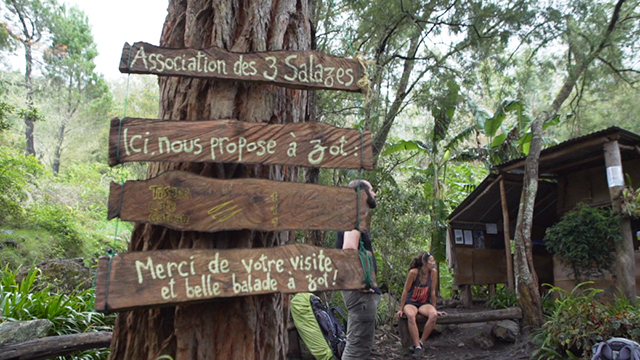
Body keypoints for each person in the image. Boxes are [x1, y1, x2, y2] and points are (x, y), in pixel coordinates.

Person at [335, 179, 381, 360]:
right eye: (372, 190)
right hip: (360, 294)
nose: (375, 193)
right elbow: (348, 249)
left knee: (360, 346)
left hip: (361, 295)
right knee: (356, 349)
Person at [397, 252, 446, 355]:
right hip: (411, 302)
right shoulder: (414, 273)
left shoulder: (433, 273)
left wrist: (434, 308)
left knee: (433, 315)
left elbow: (433, 292)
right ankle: (418, 347)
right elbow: (405, 290)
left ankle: (420, 343)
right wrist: (401, 308)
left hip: (424, 303)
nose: (434, 263)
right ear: (424, 262)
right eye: (431, 261)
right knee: (410, 315)